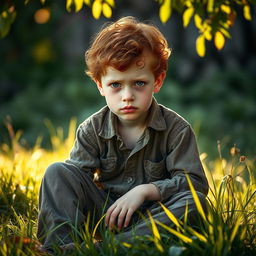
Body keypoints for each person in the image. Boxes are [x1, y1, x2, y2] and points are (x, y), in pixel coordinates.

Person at [37, 16, 209, 252]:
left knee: (195, 202)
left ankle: (103, 249)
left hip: (154, 219)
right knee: (58, 172)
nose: (127, 95)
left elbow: (195, 184)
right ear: (100, 85)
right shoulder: (92, 129)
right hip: (107, 214)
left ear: (157, 81)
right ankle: (59, 248)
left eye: (139, 83)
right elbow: (75, 181)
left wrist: (147, 190)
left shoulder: (177, 130)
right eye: (116, 85)